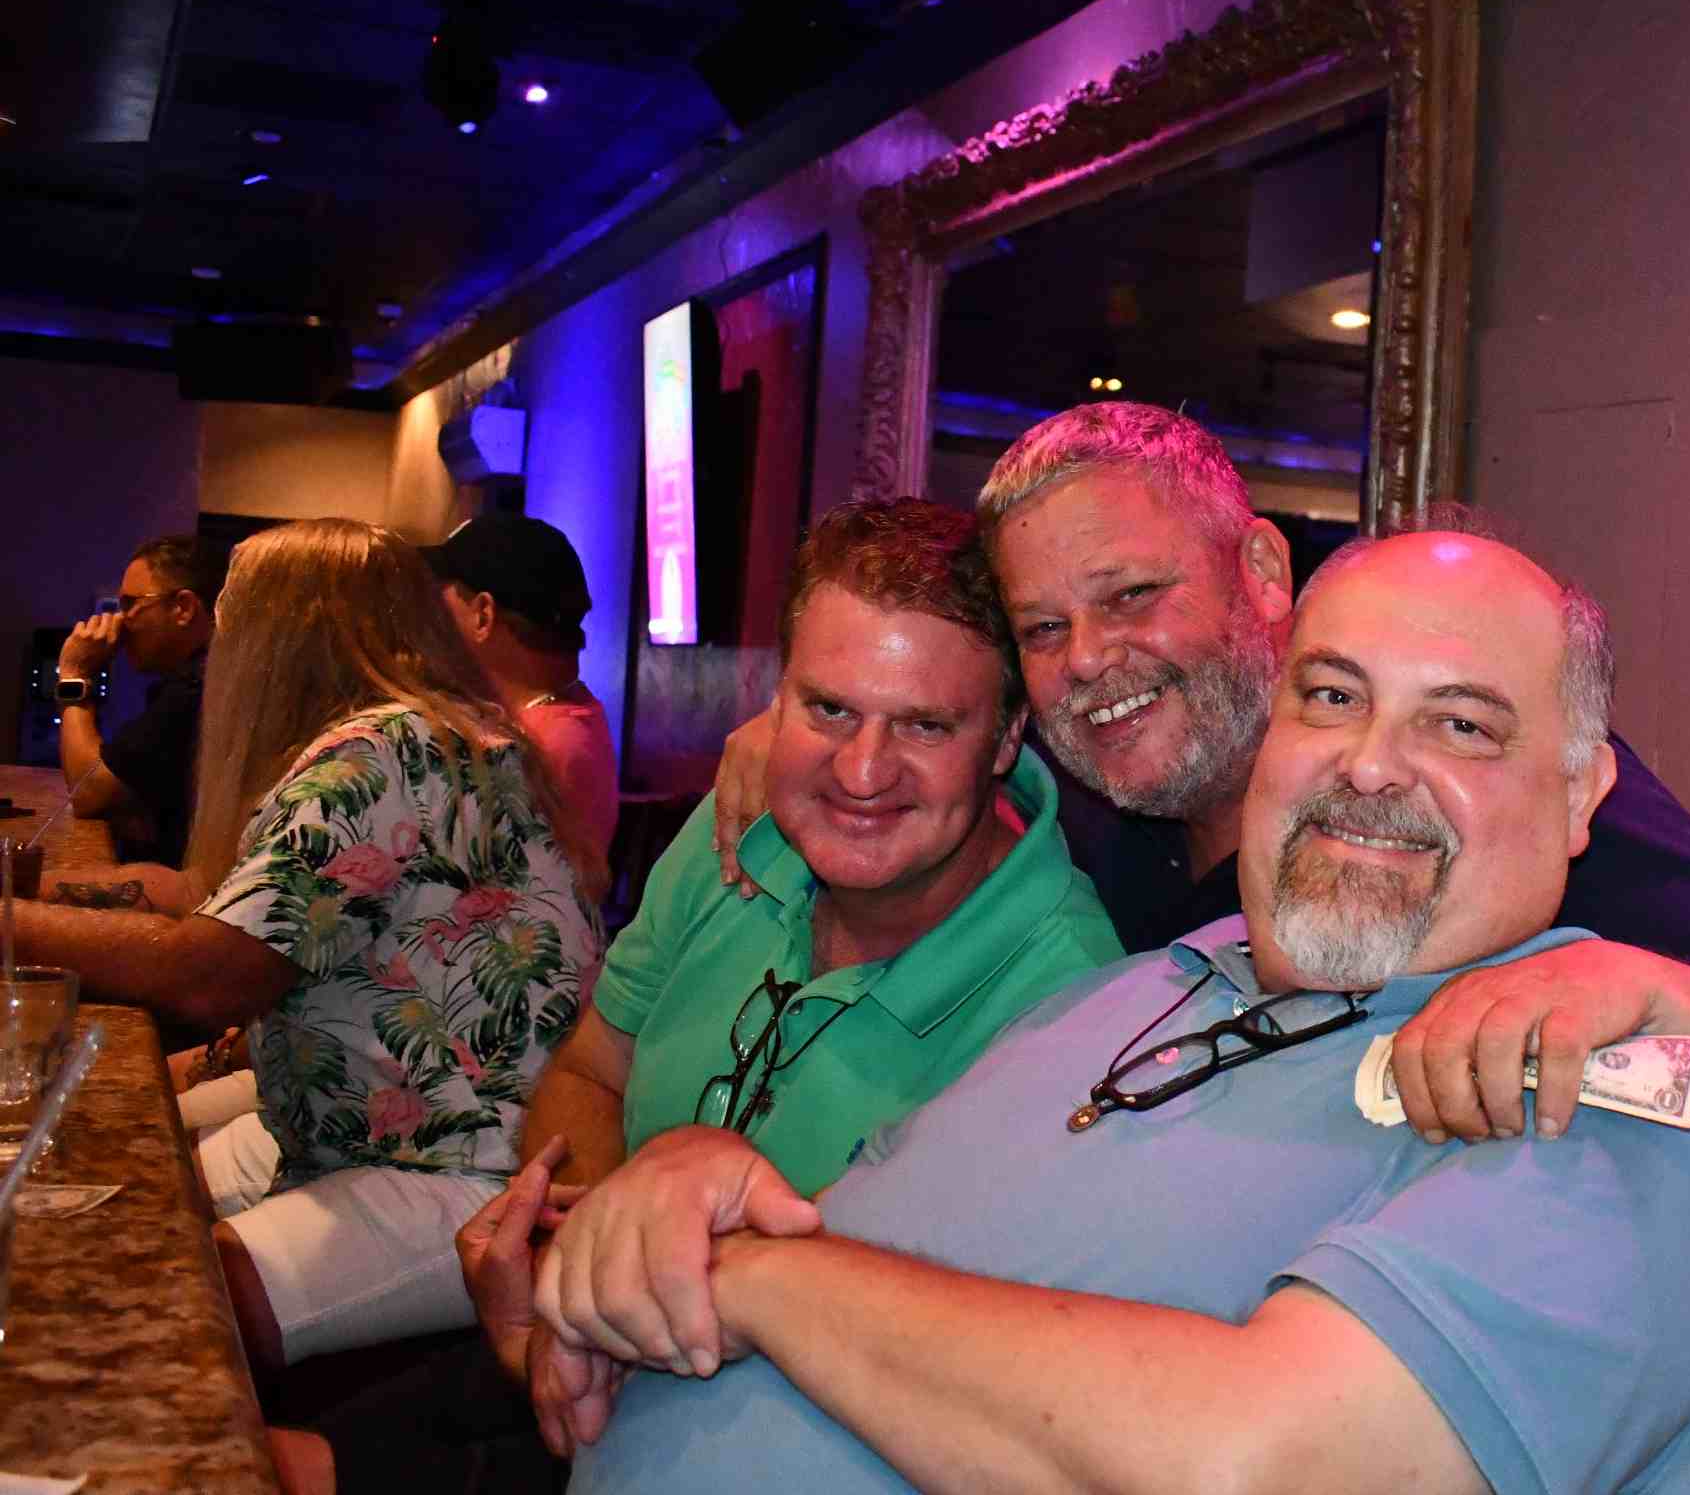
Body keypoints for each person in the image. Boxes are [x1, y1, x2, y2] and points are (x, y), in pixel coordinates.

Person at [539, 526, 1690, 1494]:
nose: (1370, 763)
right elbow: (886, 1244)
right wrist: (693, 1183)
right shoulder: (1137, 983)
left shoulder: (1584, 1104)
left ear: (1578, 794)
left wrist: (748, 1276)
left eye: (1460, 723)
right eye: (1330, 695)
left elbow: (1264, 1467)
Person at [716, 402, 1690, 1170]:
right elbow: (923, 732)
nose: (1086, 661)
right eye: (1044, 628)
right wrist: (799, 735)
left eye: (1132, 596)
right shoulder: (1092, 789)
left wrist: (1633, 987)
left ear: (1259, 567)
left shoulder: (1466, 787)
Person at [270, 499, 1122, 1495]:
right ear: (774, 702)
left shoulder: (1066, 998)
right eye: (828, 708)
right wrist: (573, 1276)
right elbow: (593, 1070)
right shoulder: (739, 832)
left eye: (925, 724)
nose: (861, 771)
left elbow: (930, 1364)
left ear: (1006, 736)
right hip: (588, 1356)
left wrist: (575, 1315)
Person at [9, 519, 606, 1374]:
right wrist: (40, 899)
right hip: (389, 1133)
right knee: (116, 1195)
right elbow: (222, 904)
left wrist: (14, 923)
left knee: (165, 1287)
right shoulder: (431, 732)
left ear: (280, 639)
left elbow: (212, 973)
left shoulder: (379, 754)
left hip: (473, 1171)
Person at [425, 513, 621, 866]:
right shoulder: (563, 719)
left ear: (483, 615)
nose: (433, 618)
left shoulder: (540, 749)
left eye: (442, 597)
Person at [54, 534, 225, 868]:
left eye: (130, 604)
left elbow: (89, 792)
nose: (119, 620)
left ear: (183, 608)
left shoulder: (197, 687)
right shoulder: (205, 675)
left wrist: (74, 674)